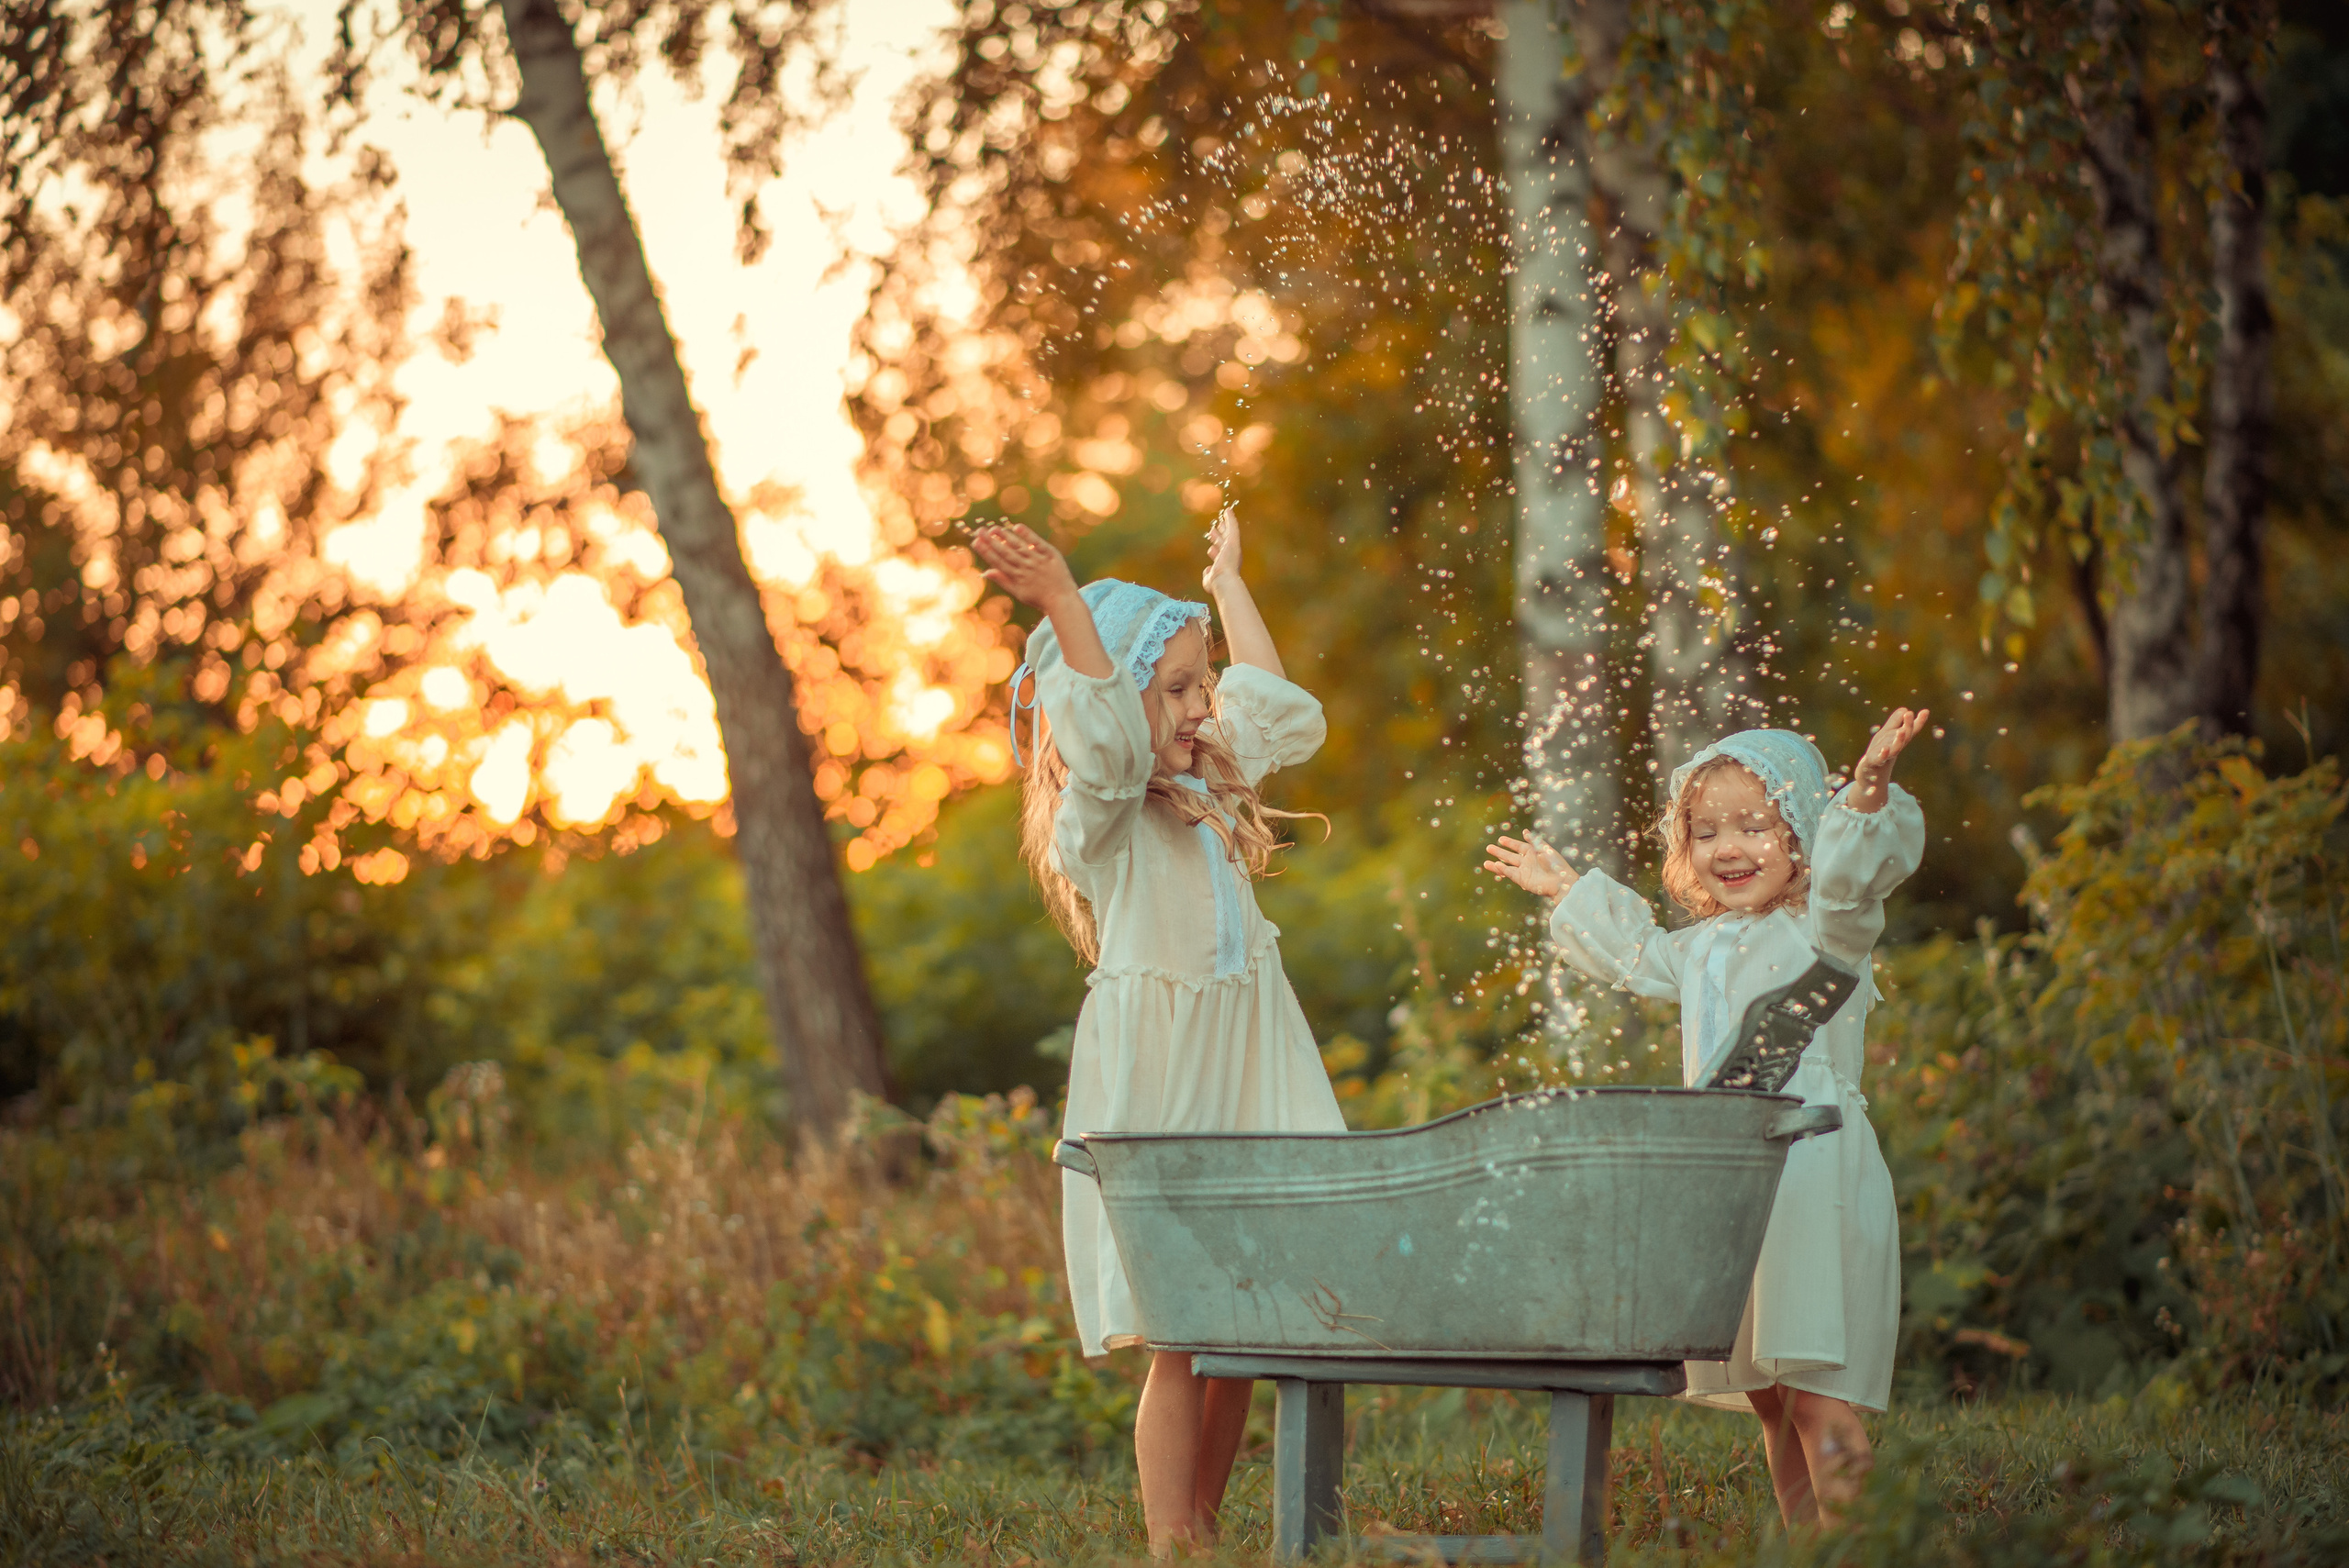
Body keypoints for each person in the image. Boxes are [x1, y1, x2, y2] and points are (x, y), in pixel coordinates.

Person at [972, 513, 1345, 1556]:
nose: (1199, 704)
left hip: (1248, 1075)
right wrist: (1062, 605)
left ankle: (1209, 1527)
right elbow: (1101, 736)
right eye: (1175, 686)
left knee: (1236, 1331)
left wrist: (1229, 586)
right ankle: (1171, 1540)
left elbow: (1284, 708)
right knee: (1181, 1333)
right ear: (1128, 695)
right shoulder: (1105, 816)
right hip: (1165, 1086)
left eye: (1199, 683)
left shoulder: (1211, 781)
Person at [1481, 711, 1931, 1529]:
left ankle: (1864, 1545)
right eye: (1706, 829)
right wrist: (1567, 887)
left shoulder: (1827, 929)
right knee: (1770, 1397)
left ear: (1803, 835)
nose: (1729, 846)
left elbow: (1853, 878)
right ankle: (1810, 1543)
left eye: (1757, 825)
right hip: (1731, 1185)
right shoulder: (1703, 946)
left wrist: (1865, 793)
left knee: (1816, 1397)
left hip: (1810, 1175)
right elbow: (1637, 953)